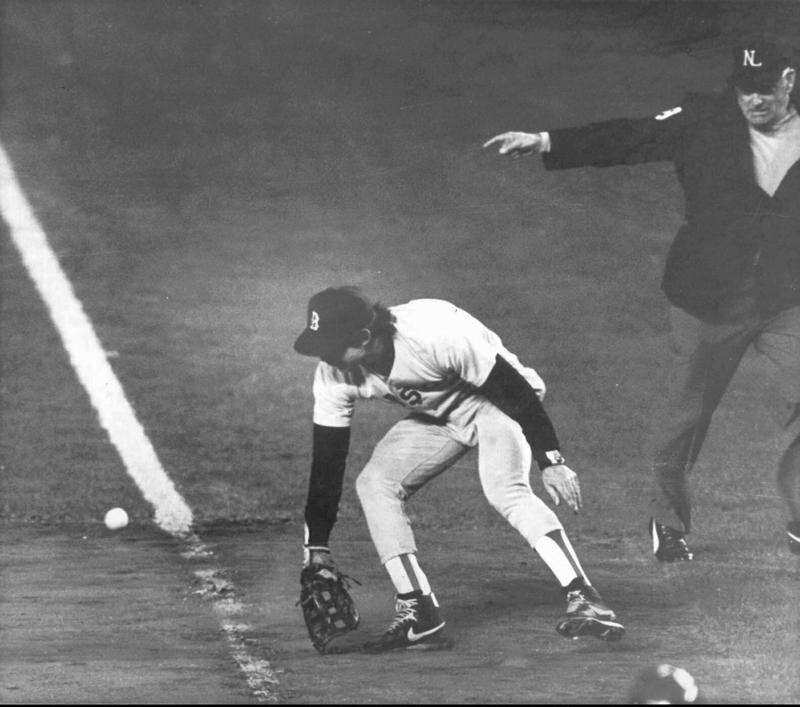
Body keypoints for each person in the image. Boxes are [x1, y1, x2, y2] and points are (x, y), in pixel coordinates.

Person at [484, 38, 800, 561]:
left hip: (784, 297)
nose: (754, 101)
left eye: (765, 89)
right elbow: (632, 137)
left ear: (789, 80)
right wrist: (545, 141)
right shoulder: (703, 119)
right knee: (684, 418)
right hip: (708, 299)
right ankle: (669, 525)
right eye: (745, 90)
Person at [293, 286, 625, 651]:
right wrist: (317, 545)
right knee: (375, 484)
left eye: (332, 345)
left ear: (364, 336)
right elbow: (328, 459)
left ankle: (584, 595)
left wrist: (551, 460)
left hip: (499, 400)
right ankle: (418, 609)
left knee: (505, 489)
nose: (324, 356)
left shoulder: (434, 334)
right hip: (441, 415)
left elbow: (514, 391)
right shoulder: (333, 375)